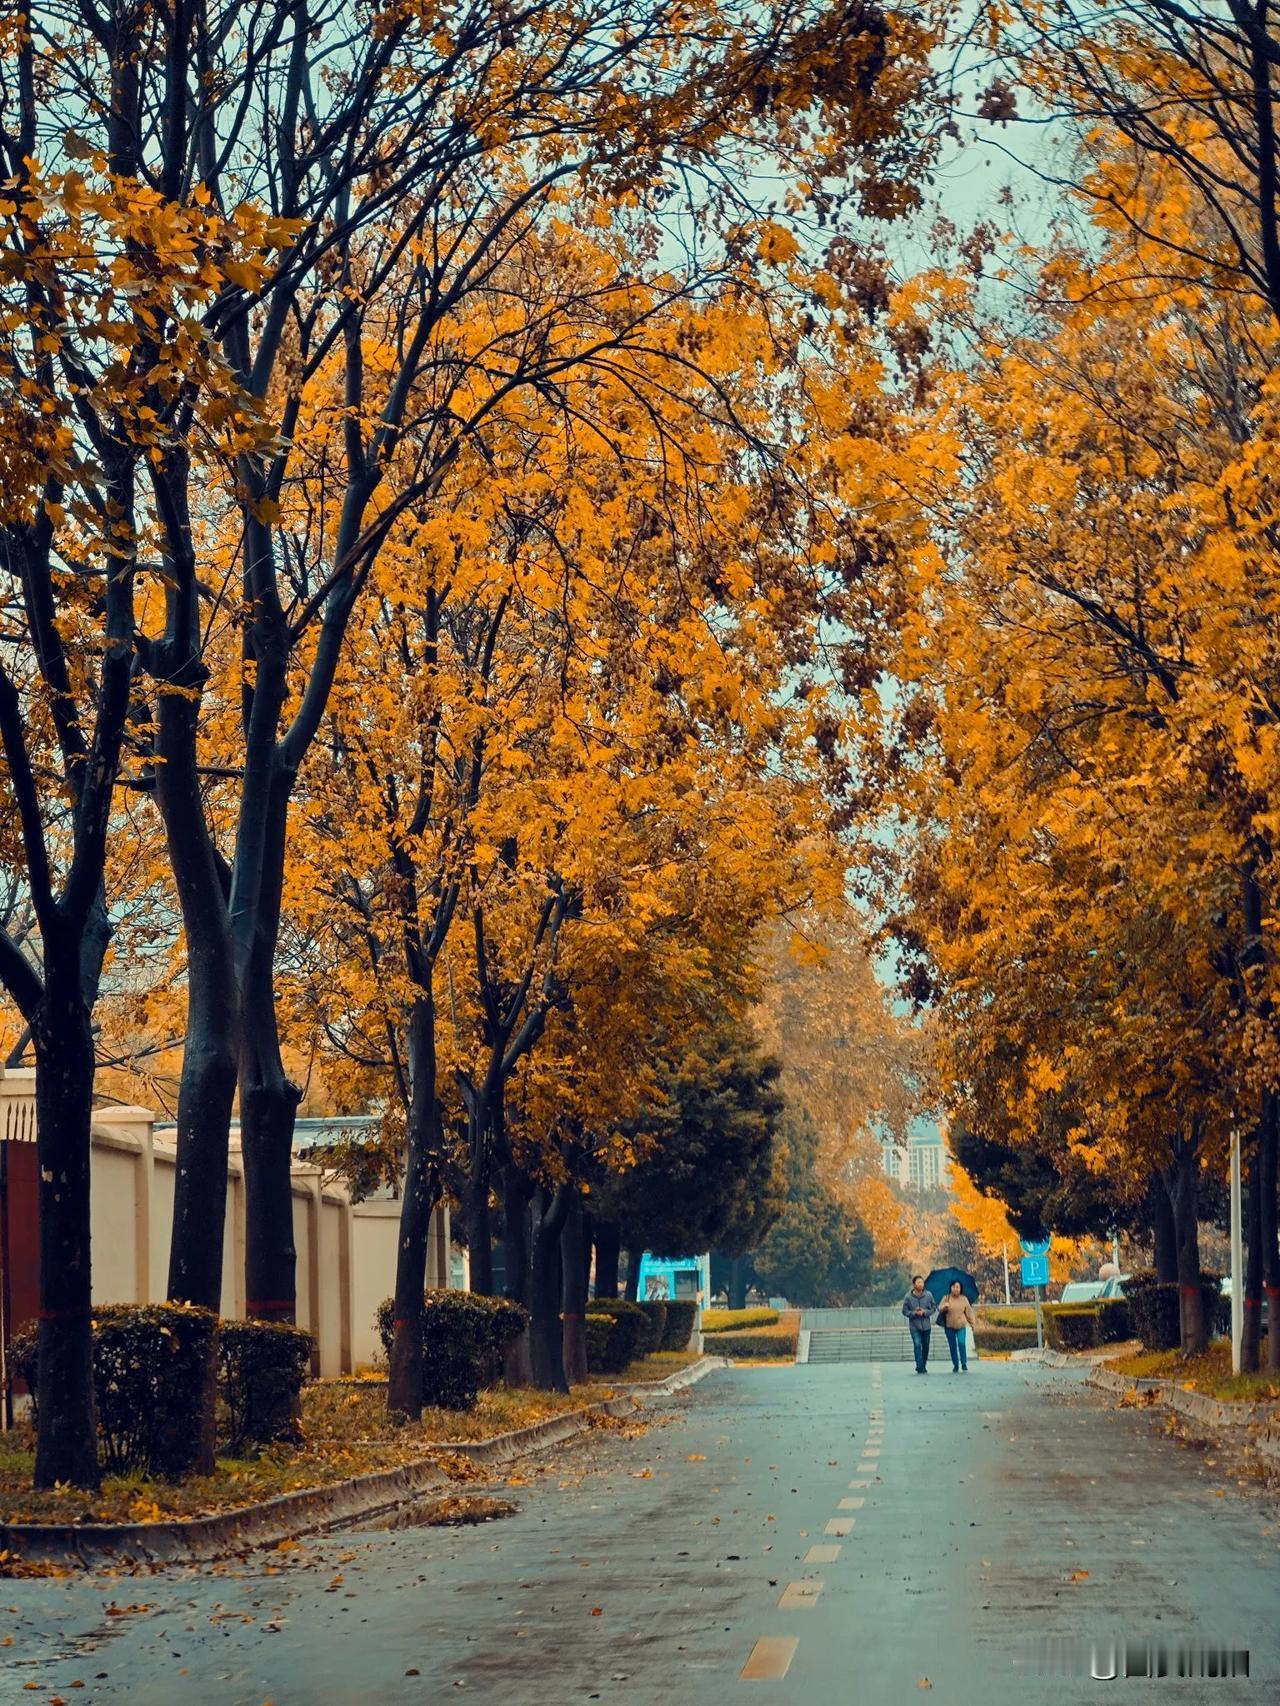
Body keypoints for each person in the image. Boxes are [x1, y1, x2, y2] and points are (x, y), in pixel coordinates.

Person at [936, 1281, 975, 1372]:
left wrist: (972, 1324)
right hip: (949, 1326)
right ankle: (956, 1364)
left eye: (957, 1287)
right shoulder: (946, 1297)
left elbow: (969, 1312)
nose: (955, 1289)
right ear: (950, 1288)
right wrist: (944, 1306)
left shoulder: (964, 1299)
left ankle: (964, 1363)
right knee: (952, 1346)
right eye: (953, 1287)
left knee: (961, 1344)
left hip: (961, 1326)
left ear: (960, 1288)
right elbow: (939, 1308)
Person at [902, 1275, 936, 1372]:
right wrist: (914, 1313)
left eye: (922, 1282)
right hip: (914, 1326)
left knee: (926, 1346)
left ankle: (923, 1364)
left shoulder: (928, 1295)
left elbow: (934, 1308)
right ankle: (919, 1366)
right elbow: (904, 1311)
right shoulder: (908, 1297)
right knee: (917, 1345)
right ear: (914, 1285)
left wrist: (924, 1312)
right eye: (918, 1282)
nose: (921, 1284)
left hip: (926, 1326)